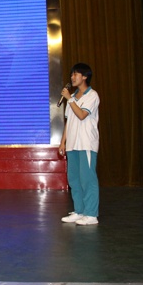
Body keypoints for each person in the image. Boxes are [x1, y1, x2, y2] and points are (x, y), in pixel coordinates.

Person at [58, 63, 100, 225]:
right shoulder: (73, 96)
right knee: (74, 179)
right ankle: (79, 211)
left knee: (87, 179)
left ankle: (91, 214)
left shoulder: (92, 95)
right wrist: (63, 142)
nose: (72, 77)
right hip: (72, 144)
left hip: (86, 143)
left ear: (85, 77)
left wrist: (70, 99)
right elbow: (69, 122)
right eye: (71, 74)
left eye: (75, 74)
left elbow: (82, 115)